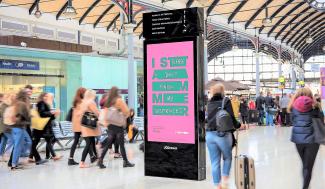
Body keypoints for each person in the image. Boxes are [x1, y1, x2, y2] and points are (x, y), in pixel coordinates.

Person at [206, 83, 240, 189]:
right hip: (223, 134)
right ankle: (225, 181)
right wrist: (238, 125)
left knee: (214, 162)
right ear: (222, 91)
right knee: (227, 158)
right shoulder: (226, 101)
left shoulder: (209, 103)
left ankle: (218, 185)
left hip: (209, 135)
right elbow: (231, 117)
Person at [288, 87, 321, 189]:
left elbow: (292, 121)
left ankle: (306, 185)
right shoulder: (315, 106)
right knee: (308, 167)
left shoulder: (293, 107)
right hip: (312, 140)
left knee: (305, 165)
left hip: (298, 140)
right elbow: (321, 121)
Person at [97, 86, 134, 169]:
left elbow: (105, 113)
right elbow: (127, 112)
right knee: (121, 144)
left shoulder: (108, 101)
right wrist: (123, 114)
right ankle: (125, 162)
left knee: (108, 143)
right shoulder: (119, 100)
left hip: (110, 125)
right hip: (118, 125)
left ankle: (100, 160)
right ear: (117, 92)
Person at [29, 93, 61, 165]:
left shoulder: (44, 103)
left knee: (36, 142)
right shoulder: (41, 103)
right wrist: (52, 112)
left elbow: (49, 117)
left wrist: (55, 114)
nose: (47, 97)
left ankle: (31, 157)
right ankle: (53, 156)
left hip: (42, 126)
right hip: (42, 126)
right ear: (43, 97)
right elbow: (42, 114)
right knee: (46, 141)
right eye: (46, 96)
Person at [6, 90, 32, 170]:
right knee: (18, 145)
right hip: (19, 127)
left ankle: (15, 162)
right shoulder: (22, 104)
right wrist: (29, 117)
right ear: (25, 96)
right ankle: (14, 164)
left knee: (27, 142)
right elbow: (23, 116)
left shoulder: (15, 103)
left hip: (15, 127)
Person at [68, 87, 93, 166]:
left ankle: (70, 159)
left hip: (76, 125)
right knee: (88, 142)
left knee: (76, 142)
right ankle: (92, 157)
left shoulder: (75, 102)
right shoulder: (82, 102)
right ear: (82, 93)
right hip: (81, 125)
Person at [79, 89, 101, 168]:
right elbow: (96, 112)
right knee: (88, 144)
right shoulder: (91, 102)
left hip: (85, 125)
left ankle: (96, 158)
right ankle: (82, 162)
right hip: (90, 126)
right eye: (94, 95)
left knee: (91, 142)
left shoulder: (83, 102)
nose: (95, 96)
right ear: (91, 95)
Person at [0, 93, 15, 161]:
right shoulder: (4, 105)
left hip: (5, 127)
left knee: (4, 141)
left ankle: (1, 155)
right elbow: (5, 116)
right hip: (5, 127)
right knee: (13, 141)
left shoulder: (6, 105)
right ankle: (4, 154)